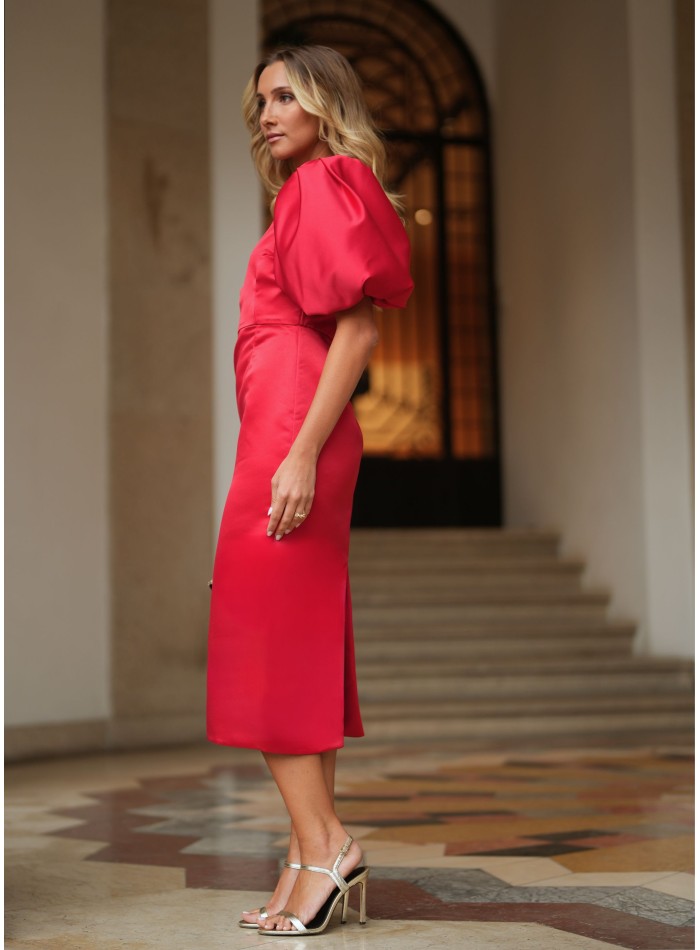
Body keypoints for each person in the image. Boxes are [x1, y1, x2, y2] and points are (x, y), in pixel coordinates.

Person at [205, 45, 414, 935]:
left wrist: (298, 451)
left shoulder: (319, 182)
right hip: (285, 422)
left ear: (328, 103)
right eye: (262, 99)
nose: (268, 112)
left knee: (260, 635)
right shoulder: (318, 186)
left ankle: (327, 844)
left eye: (286, 95)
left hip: (296, 425)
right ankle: (306, 856)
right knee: (291, 641)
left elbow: (359, 330)